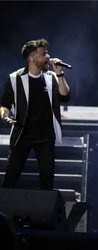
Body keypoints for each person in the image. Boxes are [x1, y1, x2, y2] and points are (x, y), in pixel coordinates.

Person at [0, 38, 70, 190]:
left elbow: (65, 96)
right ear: (33, 58)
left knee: (47, 180)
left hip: (45, 136)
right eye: (44, 53)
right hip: (22, 134)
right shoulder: (15, 78)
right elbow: (5, 104)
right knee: (11, 177)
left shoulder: (51, 77)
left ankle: (45, 213)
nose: (48, 57)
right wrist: (4, 115)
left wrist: (60, 74)